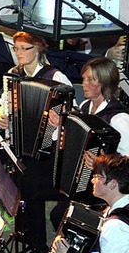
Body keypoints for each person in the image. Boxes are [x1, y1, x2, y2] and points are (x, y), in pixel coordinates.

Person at [0, 31, 73, 253]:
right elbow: (1, 106)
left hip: (50, 148)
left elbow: (70, 119)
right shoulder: (12, 75)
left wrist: (58, 122)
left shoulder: (56, 77)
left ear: (39, 50)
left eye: (25, 48)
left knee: (28, 180)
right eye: (16, 48)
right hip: (17, 141)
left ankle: (36, 243)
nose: (19, 53)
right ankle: (23, 234)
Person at [48, 57, 129, 229]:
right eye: (84, 79)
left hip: (108, 188)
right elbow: (68, 142)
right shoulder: (85, 106)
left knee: (60, 216)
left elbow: (126, 161)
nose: (84, 84)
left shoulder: (118, 119)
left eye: (90, 80)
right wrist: (59, 126)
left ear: (105, 83)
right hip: (81, 182)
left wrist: (102, 164)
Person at [50, 154, 129, 253]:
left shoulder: (115, 226)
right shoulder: (120, 206)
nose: (92, 180)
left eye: (97, 176)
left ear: (113, 184)